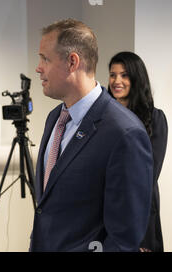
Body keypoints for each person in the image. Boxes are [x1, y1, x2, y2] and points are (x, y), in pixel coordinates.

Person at [31, 18, 153, 252]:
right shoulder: (54, 118)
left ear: (72, 62)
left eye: (45, 58)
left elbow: (124, 238)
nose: (38, 67)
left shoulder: (124, 133)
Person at [108, 51, 168, 252]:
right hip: (104, 215)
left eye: (124, 75)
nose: (117, 81)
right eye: (113, 74)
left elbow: (147, 176)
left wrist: (139, 238)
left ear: (136, 78)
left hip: (139, 216)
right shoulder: (102, 119)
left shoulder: (155, 119)